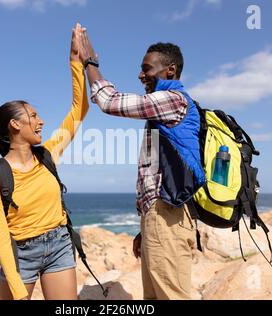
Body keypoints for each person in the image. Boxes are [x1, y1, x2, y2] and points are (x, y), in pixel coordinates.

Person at [78, 29, 203, 300]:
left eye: (147, 68)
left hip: (168, 219)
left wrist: (90, 63)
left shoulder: (174, 100)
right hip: (159, 218)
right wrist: (145, 228)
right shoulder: (163, 110)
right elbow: (160, 175)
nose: (140, 75)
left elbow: (110, 102)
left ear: (170, 70)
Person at [0, 23, 88, 300]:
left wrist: (75, 62)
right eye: (34, 116)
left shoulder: (49, 153)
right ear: (15, 124)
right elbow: (1, 237)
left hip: (59, 244)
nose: (41, 121)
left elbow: (79, 110)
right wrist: (17, 289)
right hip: (20, 254)